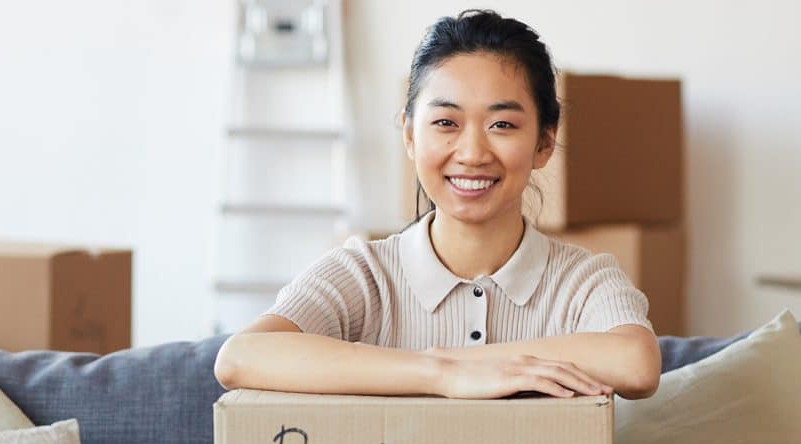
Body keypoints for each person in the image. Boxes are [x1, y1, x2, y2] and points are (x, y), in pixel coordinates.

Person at [214, 9, 661, 401]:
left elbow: (636, 364)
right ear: (410, 135)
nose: (471, 152)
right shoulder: (364, 274)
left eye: (502, 124)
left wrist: (476, 360)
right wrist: (444, 372)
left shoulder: (582, 280)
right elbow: (240, 357)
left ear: (545, 142)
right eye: (446, 122)